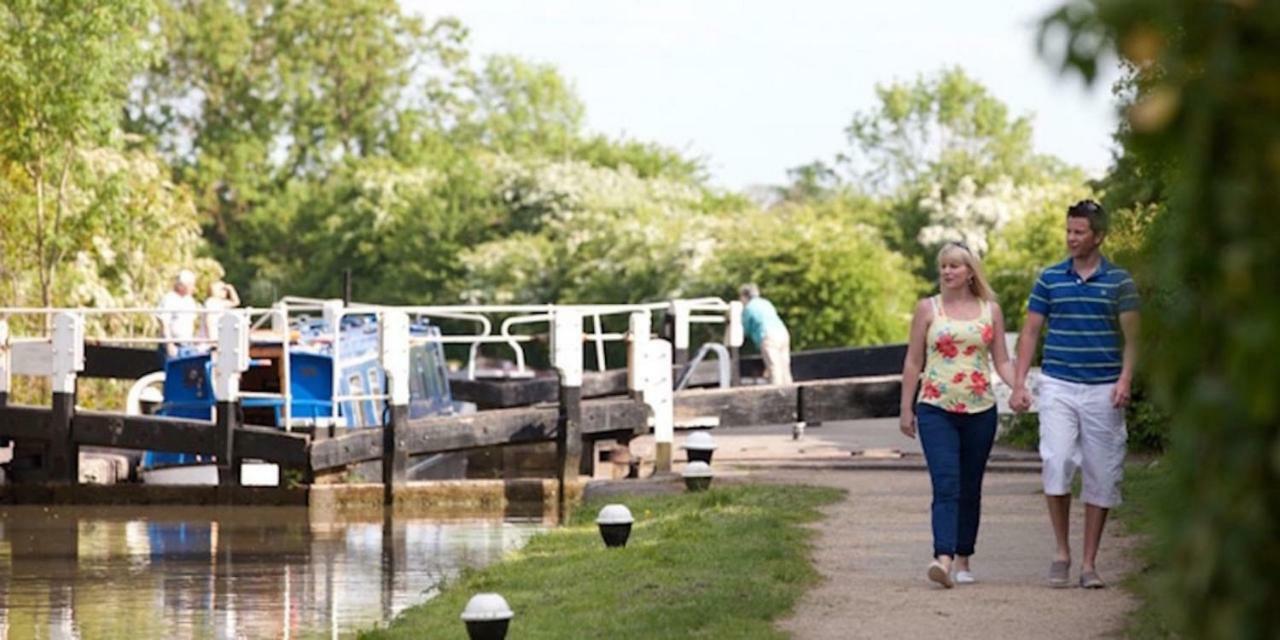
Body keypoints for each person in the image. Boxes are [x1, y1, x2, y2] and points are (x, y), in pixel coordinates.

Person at [1009, 199, 1140, 590]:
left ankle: (1088, 563)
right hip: (1058, 384)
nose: (1071, 238)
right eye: (1068, 231)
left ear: (1098, 236)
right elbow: (1031, 332)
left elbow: (1134, 337)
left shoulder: (1120, 281)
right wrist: (1019, 383)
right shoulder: (1050, 278)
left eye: (1079, 232)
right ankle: (1061, 552)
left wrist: (1125, 379)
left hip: (1104, 388)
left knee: (1102, 472)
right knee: (1058, 459)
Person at [899, 241, 1017, 588]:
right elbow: (913, 361)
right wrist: (906, 407)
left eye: (955, 266)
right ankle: (944, 559)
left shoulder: (990, 310)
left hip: (981, 408)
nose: (948, 272)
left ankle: (964, 556)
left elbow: (1002, 360)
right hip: (936, 407)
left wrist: (1018, 389)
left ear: (970, 272)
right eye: (943, 266)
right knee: (946, 483)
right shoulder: (927, 309)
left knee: (970, 485)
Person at [739, 283, 792, 386]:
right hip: (782, 333)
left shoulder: (749, 308)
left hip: (768, 335)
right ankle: (790, 391)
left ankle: (778, 396)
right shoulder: (766, 303)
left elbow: (745, 329)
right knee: (785, 367)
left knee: (774, 367)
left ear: (745, 296)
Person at [156, 269, 199, 362]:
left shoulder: (190, 300)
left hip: (187, 345)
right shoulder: (169, 299)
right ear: (181, 286)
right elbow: (164, 323)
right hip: (174, 344)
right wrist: (169, 344)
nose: (193, 288)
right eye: (190, 285)